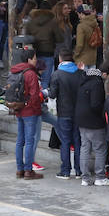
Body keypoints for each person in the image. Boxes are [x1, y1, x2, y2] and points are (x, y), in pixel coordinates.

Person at [48, 50, 83, 179]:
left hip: (64, 112)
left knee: (65, 142)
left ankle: (65, 170)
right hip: (78, 112)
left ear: (60, 59)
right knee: (78, 141)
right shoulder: (80, 73)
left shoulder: (57, 75)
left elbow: (52, 94)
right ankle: (79, 170)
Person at [10, 47, 44, 179]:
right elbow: (35, 95)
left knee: (20, 140)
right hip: (29, 111)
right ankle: (28, 170)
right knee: (29, 140)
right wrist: (36, 109)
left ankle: (20, 169)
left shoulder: (15, 71)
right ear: (29, 59)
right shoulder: (31, 73)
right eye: (35, 58)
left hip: (18, 109)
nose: (36, 61)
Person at [76, 66, 109, 186]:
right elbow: (96, 104)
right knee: (100, 149)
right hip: (94, 122)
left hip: (81, 121)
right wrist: (103, 113)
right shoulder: (97, 84)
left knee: (85, 148)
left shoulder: (82, 83)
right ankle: (100, 177)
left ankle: (85, 178)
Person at [24, 0, 64, 90]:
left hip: (34, 54)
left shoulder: (31, 21)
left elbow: (26, 37)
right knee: (46, 79)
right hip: (48, 52)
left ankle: (34, 97)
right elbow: (60, 38)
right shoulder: (53, 22)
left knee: (33, 78)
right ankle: (43, 98)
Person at [74, 4, 99, 68]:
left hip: (82, 59)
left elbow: (80, 45)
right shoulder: (95, 23)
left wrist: (75, 55)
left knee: (83, 77)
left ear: (81, 14)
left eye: (78, 14)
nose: (78, 16)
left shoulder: (81, 26)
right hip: (93, 58)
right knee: (92, 77)